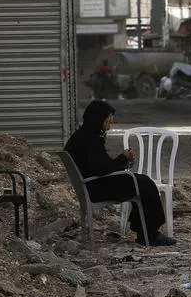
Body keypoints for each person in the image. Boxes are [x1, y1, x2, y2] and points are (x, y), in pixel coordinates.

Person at [64, 100, 175, 247]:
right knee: (145, 184)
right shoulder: (89, 140)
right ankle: (150, 234)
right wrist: (124, 158)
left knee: (141, 181)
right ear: (99, 118)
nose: (112, 120)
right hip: (96, 188)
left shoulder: (83, 136)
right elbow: (103, 169)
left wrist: (123, 161)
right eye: (109, 117)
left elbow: (101, 165)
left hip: (92, 184)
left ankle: (145, 231)